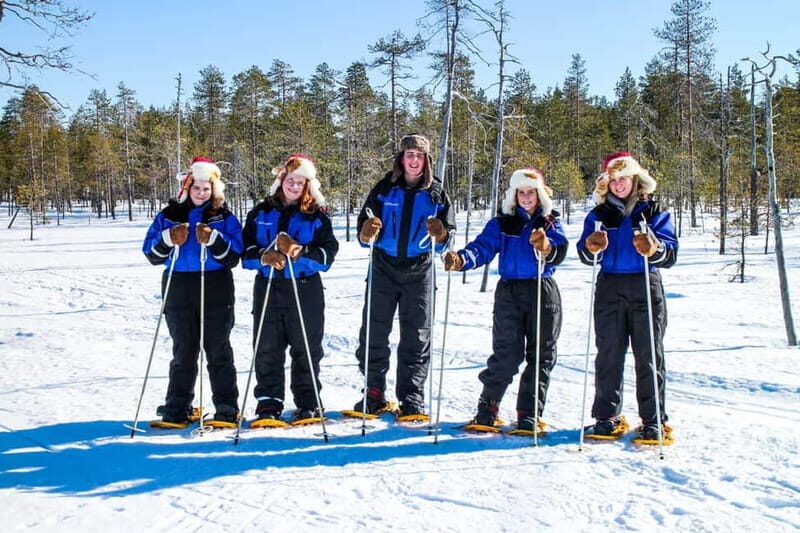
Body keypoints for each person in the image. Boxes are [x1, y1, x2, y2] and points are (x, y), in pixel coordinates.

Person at [443, 167, 568, 433]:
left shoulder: (550, 222)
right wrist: (462, 259)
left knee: (541, 355)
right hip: (509, 291)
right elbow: (483, 247)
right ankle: (487, 409)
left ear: (540, 195)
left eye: (531, 192)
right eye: (521, 192)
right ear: (514, 195)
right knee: (506, 354)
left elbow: (559, 249)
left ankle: (529, 414)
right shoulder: (502, 223)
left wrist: (546, 247)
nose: (525, 197)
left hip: (542, 290)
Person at [576, 152, 678, 442]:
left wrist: (654, 247)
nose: (619, 185)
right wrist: (591, 247)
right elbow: (585, 254)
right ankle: (607, 417)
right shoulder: (598, 215)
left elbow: (670, 254)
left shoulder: (653, 211)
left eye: (624, 179)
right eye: (614, 180)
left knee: (648, 355)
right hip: (609, 285)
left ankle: (653, 420)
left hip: (645, 284)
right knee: (608, 353)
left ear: (635, 179)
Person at [352, 133, 456, 418]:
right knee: (374, 331)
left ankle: (411, 397)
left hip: (419, 268)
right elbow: (363, 226)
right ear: (402, 158)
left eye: (419, 156)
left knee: (416, 334)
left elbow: (449, 238)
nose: (414, 160)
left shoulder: (436, 193)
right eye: (409, 154)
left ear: (426, 160)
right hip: (383, 266)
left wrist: (442, 234)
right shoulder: (384, 189)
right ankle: (373, 393)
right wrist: (365, 232)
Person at [142, 156, 243, 425]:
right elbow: (151, 254)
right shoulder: (168, 215)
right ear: (187, 187)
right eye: (196, 188)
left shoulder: (223, 216)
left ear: (214, 189)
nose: (201, 193)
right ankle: (177, 407)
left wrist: (214, 239)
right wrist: (168, 238)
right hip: (178, 283)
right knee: (184, 349)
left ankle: (227, 408)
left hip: (216, 285)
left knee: (217, 347)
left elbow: (235, 256)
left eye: (206, 188)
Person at [241, 154, 338, 423]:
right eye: (290, 180)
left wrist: (300, 251)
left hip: (305, 287)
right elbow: (244, 252)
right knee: (267, 345)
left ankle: (308, 400)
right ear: (281, 180)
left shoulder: (316, 217)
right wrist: (264, 256)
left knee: (306, 346)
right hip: (269, 285)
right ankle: (268, 401)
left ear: (308, 185)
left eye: (300, 182)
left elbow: (328, 254)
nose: (294, 186)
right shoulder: (260, 213)